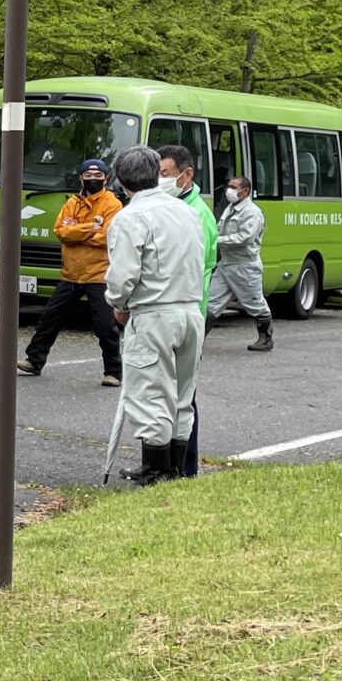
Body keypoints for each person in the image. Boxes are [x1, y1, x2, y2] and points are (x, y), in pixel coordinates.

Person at [104, 144, 205, 485]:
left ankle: (156, 467)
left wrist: (118, 304)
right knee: (182, 393)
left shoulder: (130, 217)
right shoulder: (187, 212)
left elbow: (122, 276)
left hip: (153, 313)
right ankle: (175, 466)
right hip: (190, 309)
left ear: (120, 180)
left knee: (150, 392)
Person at [19, 157, 119, 383]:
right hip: (71, 274)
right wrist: (90, 228)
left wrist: (77, 232)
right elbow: (60, 231)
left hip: (98, 274)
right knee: (49, 318)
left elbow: (107, 237)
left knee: (105, 326)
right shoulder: (72, 203)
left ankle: (113, 371)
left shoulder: (112, 204)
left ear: (106, 178)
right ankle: (34, 360)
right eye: (88, 175)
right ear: (81, 178)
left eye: (98, 176)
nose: (93, 179)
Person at [159, 143, 219, 478]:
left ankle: (185, 466)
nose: (160, 180)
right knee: (166, 392)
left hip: (188, 313)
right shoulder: (173, 207)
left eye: (165, 173)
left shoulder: (197, 213)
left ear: (187, 175)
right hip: (174, 313)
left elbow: (197, 270)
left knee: (183, 395)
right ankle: (165, 463)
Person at [208, 172, 274, 350]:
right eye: (228, 186)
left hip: (245, 266)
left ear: (245, 191)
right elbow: (218, 230)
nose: (228, 190)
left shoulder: (253, 213)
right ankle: (196, 342)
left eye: (233, 187)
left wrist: (216, 241)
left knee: (255, 303)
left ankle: (266, 339)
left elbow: (245, 238)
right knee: (210, 304)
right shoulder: (230, 208)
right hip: (226, 265)